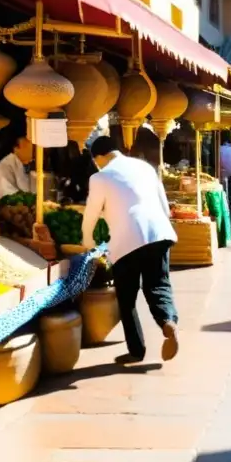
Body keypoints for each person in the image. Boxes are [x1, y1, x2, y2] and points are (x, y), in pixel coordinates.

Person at [82, 136, 179, 364]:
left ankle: (136, 350)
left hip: (127, 242)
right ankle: (168, 322)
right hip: (159, 233)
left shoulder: (100, 177)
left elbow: (91, 212)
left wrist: (87, 240)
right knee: (158, 284)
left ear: (99, 157)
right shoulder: (145, 167)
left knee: (127, 299)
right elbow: (164, 206)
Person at [0, 135, 34, 205]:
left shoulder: (25, 164)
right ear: (16, 149)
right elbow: (7, 194)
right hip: (5, 208)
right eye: (27, 148)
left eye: (31, 149)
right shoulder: (4, 166)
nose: (31, 152)